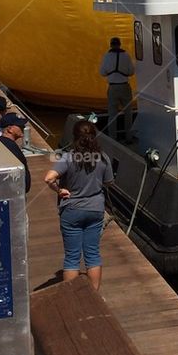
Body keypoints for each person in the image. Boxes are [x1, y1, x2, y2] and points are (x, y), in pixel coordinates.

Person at [43, 119, 113, 289]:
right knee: (93, 254)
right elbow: (109, 182)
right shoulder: (102, 157)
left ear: (74, 137)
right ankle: (94, 294)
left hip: (72, 209)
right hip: (95, 209)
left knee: (72, 257)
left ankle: (73, 296)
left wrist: (59, 190)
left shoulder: (68, 157)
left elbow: (49, 178)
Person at [99, 36, 135, 143]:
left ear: (111, 45)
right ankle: (128, 137)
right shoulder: (126, 55)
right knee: (128, 113)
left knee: (112, 114)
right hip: (124, 86)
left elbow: (102, 72)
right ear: (119, 44)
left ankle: (113, 138)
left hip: (113, 87)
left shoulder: (107, 56)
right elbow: (131, 71)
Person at [0, 112, 31, 193]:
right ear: (10, 129)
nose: (23, 127)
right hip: (13, 194)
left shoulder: (2, 141)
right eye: (20, 126)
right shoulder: (9, 147)